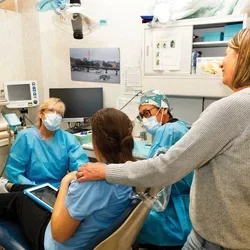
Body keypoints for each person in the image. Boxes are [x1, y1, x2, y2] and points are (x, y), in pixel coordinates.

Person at [76, 28, 250, 249]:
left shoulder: (231, 108)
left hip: (217, 239)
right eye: (141, 115)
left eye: (227, 53)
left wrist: (105, 171)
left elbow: (165, 169)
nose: (222, 63)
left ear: (244, 57)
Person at [0, 108, 134, 250]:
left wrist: (65, 181)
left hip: (55, 243)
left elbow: (58, 235)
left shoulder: (88, 183)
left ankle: (7, 187)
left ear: (96, 141)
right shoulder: (128, 172)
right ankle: (8, 186)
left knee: (21, 200)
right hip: (84, 228)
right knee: (35, 193)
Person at [136, 90, 193, 249]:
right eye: (142, 115)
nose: (145, 119)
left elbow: (152, 173)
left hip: (173, 213)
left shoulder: (168, 131)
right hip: (185, 205)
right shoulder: (179, 126)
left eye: (148, 113)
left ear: (164, 110)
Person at [1, 97, 89, 189]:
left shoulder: (67, 139)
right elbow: (14, 171)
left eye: (59, 113)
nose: (55, 115)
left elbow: (81, 166)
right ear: (41, 114)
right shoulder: (26, 137)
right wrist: (34, 189)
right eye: (51, 110)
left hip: (59, 189)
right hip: (30, 188)